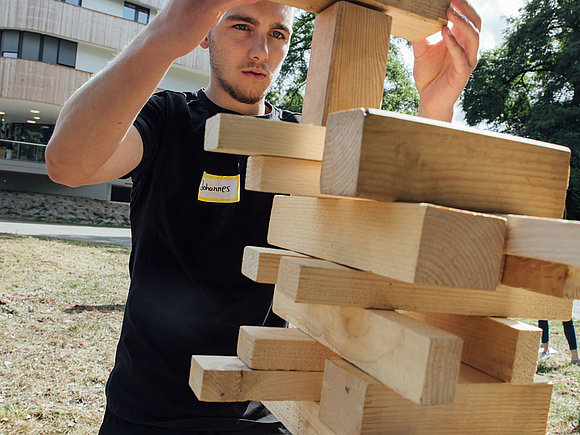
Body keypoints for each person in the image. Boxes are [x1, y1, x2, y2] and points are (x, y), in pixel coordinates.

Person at [45, 0, 481, 432]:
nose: (261, 51)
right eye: (241, 27)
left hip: (266, 410)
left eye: (277, 33)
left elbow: (390, 227)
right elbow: (68, 164)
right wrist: (161, 37)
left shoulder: (309, 140)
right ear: (205, 33)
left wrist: (436, 108)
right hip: (150, 409)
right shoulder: (167, 117)